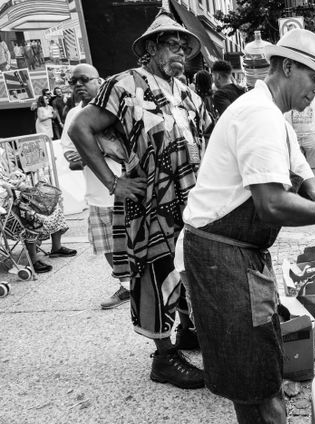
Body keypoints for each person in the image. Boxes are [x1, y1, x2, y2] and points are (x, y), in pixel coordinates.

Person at [177, 28, 315, 424]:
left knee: (262, 356)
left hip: (239, 251)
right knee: (252, 373)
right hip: (221, 254)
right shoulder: (258, 115)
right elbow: (271, 204)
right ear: (287, 66)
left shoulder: (278, 120)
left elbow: (309, 186)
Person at [68, 9, 212, 389]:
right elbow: (81, 127)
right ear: (150, 48)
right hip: (149, 204)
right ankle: (163, 358)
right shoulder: (124, 85)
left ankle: (184, 332)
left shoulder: (186, 92)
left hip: (187, 201)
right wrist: (113, 182)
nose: (181, 51)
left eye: (184, 46)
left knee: (183, 268)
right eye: (171, 44)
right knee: (154, 272)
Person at [61, 64, 131, 310]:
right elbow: (72, 159)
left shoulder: (117, 109)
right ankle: (126, 286)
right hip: (98, 194)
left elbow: (129, 149)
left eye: (84, 79)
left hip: (129, 189)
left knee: (135, 242)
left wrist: (92, 152)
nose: (78, 85)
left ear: (99, 81)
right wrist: (91, 154)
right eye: (73, 82)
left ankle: (141, 284)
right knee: (107, 246)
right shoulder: (73, 116)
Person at [0, 152, 77, 274]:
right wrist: (7, 186)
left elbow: (5, 178)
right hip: (4, 207)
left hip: (12, 198)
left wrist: (17, 180)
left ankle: (56, 247)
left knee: (51, 205)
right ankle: (33, 259)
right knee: (30, 215)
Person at [284, 89, 315, 181]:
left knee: (313, 169)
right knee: (295, 170)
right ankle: (300, 195)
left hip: (312, 135)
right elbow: (287, 112)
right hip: (295, 135)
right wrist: (290, 134)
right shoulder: (292, 84)